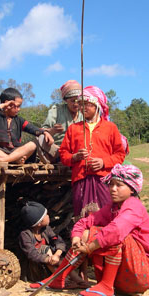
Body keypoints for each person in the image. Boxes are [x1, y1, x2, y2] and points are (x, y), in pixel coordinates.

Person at [29, 163, 149, 296]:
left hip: (145, 274)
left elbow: (116, 231)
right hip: (127, 275)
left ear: (132, 189)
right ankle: (59, 278)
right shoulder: (113, 207)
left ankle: (106, 286)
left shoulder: (134, 206)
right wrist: (76, 238)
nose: (113, 189)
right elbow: (84, 222)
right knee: (87, 233)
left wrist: (90, 247)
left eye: (119, 185)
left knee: (111, 234)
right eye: (111, 184)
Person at [58, 86, 126, 219]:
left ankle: (104, 240)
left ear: (97, 105)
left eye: (87, 104)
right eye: (81, 104)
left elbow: (120, 154)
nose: (83, 108)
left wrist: (103, 162)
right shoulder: (73, 129)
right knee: (82, 217)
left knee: (107, 216)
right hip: (80, 180)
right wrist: (75, 157)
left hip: (104, 180)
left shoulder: (110, 128)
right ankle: (83, 240)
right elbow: (63, 154)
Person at [19, 201, 89, 287]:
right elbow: (32, 254)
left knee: (62, 261)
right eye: (46, 215)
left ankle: (77, 281)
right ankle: (65, 280)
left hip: (52, 266)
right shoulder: (25, 235)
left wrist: (57, 254)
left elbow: (58, 241)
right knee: (45, 249)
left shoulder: (46, 229)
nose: (48, 216)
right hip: (36, 270)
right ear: (39, 222)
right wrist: (49, 259)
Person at [0, 87, 54, 163]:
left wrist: (44, 132)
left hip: (17, 151)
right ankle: (14, 160)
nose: (18, 109)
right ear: (8, 104)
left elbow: (32, 129)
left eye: (19, 106)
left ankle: (5, 160)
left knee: (33, 144)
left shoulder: (19, 120)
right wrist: (4, 105)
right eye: (16, 106)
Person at [37, 80, 84, 163]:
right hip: (57, 149)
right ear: (66, 100)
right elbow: (42, 131)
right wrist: (52, 131)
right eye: (72, 101)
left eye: (79, 101)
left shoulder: (85, 113)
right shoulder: (56, 110)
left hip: (78, 150)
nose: (76, 104)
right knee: (41, 138)